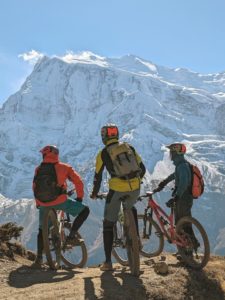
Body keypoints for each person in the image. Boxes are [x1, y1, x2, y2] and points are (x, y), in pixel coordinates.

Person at [90, 124, 146, 271]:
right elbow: (143, 169)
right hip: (135, 187)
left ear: (104, 137)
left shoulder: (103, 153)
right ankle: (136, 239)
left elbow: (98, 177)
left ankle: (108, 262)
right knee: (130, 206)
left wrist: (94, 193)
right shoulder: (129, 148)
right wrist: (135, 182)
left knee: (108, 224)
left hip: (117, 189)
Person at [33, 145, 90, 265]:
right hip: (61, 201)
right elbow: (78, 181)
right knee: (85, 211)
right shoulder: (64, 167)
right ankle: (72, 236)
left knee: (42, 229)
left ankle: (38, 258)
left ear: (44, 155)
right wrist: (79, 198)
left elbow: (35, 187)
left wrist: (39, 203)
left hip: (43, 203)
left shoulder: (38, 169)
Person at [156, 143, 199, 253]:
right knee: (181, 223)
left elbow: (184, 183)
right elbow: (175, 175)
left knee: (184, 224)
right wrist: (164, 182)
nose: (171, 154)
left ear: (175, 153)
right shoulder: (182, 165)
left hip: (183, 199)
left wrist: (176, 197)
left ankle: (190, 249)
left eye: (172, 152)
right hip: (184, 198)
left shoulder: (182, 166)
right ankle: (185, 250)